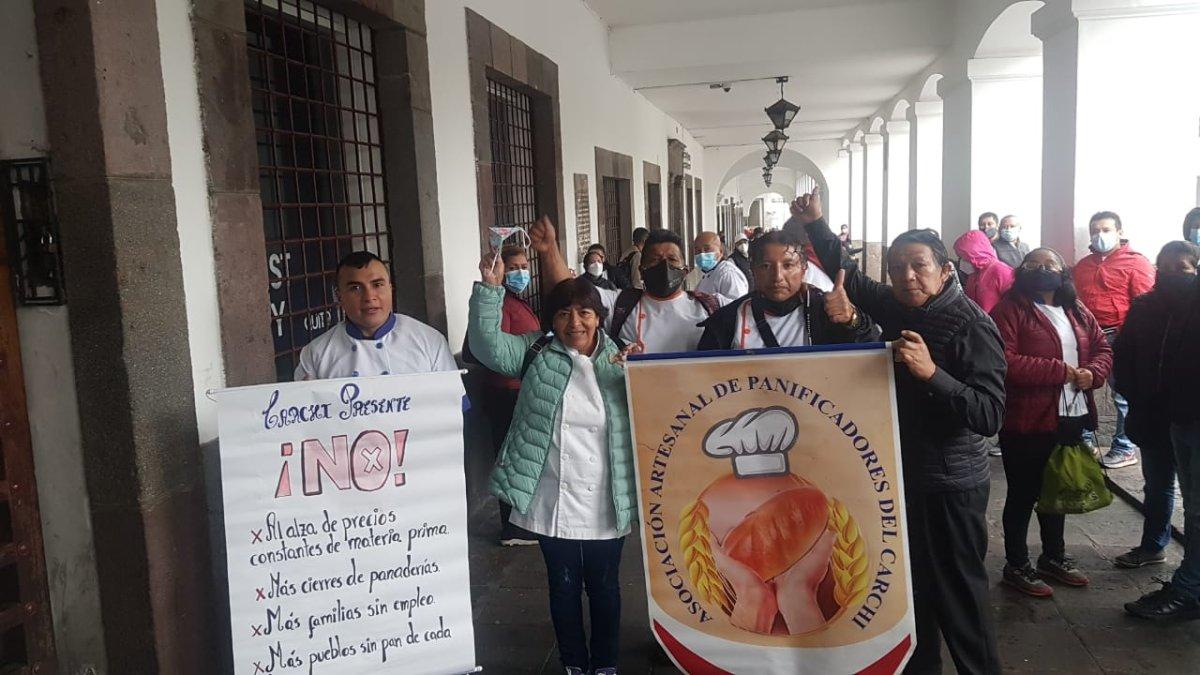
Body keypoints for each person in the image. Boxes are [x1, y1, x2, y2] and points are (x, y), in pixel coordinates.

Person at [793, 188, 1005, 674]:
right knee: (909, 595)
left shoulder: (972, 325)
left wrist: (935, 375)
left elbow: (990, 414)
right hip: (901, 476)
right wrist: (816, 225)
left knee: (960, 595)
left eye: (919, 266)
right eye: (897, 268)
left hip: (951, 485)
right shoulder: (901, 306)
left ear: (946, 270)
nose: (907, 276)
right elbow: (855, 280)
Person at [468, 258, 634, 673]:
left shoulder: (623, 361)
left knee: (605, 586)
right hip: (551, 493)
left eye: (584, 312)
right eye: (563, 313)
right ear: (551, 319)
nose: (574, 322)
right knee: (562, 585)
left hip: (607, 495)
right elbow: (486, 344)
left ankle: (606, 664)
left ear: (599, 316)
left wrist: (642, 372)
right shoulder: (535, 350)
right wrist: (490, 290)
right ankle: (574, 664)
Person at [989, 248, 1112, 597]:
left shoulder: (1075, 309)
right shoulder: (1010, 310)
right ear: (1021, 271)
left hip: (1070, 414)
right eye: (1033, 265)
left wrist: (1093, 373)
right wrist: (1060, 372)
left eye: (1050, 265)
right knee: (1024, 492)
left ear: (1063, 272)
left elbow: (1103, 348)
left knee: (1054, 488)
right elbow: (1005, 361)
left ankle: (1053, 557)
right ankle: (1017, 564)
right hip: (1026, 417)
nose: (1042, 270)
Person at [1112, 241, 1199, 569]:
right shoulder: (1145, 306)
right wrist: (1133, 394)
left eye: (1184, 269)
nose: (1175, 275)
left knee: (1194, 497)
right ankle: (1153, 545)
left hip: (1190, 416)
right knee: (1159, 484)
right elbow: (1125, 352)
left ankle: (1192, 566)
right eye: (1167, 269)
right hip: (1153, 412)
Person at [531, 218, 717, 354]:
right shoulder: (621, 304)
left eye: (672, 260)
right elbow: (569, 291)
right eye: (654, 260)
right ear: (641, 271)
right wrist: (550, 250)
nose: (664, 266)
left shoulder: (710, 307)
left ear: (685, 269)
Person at [462, 245, 541, 546]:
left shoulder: (519, 302)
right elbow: (496, 349)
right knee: (509, 458)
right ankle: (513, 527)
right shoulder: (501, 304)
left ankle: (521, 522)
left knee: (519, 457)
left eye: (524, 265)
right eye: (514, 267)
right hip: (506, 392)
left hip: (522, 389)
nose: (521, 272)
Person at [697, 229, 876, 349]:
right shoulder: (727, 321)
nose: (777, 277)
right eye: (766, 266)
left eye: (788, 265)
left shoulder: (826, 312)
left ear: (804, 269)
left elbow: (871, 350)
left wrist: (852, 319)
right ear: (753, 271)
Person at [1072, 211, 1155, 468]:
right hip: (1087, 335)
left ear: (1119, 232)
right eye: (1095, 230)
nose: (1099, 235)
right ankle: (1082, 439)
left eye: (1106, 229)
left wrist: (1134, 341)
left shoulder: (1136, 263)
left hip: (1120, 336)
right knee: (1079, 387)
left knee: (1122, 394)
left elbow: (1144, 306)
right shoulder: (1083, 266)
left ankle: (1124, 446)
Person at [295, 251, 456, 379]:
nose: (369, 297)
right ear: (339, 297)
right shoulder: (315, 354)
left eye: (377, 285)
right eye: (356, 288)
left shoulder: (430, 342)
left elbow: (453, 409)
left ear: (390, 289)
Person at [954, 229, 1015, 313]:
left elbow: (1013, 307)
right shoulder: (974, 274)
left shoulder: (1001, 271)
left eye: (965, 256)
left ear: (976, 253)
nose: (962, 260)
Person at [692, 231, 749, 303]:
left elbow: (738, 306)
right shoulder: (710, 273)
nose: (702, 254)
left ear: (721, 251)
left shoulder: (727, 273)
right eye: (698, 250)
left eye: (707, 249)